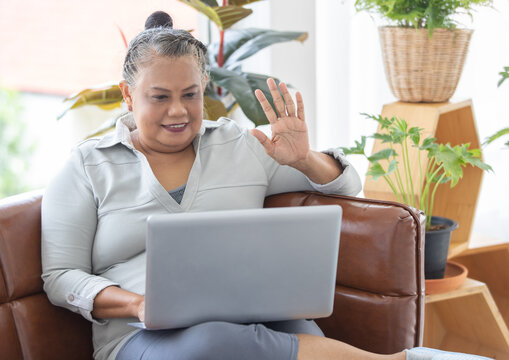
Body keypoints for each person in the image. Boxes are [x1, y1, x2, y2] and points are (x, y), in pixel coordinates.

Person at [41, 11, 492, 360]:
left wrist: (305, 159)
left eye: (190, 95)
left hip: (257, 312)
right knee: (213, 343)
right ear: (128, 95)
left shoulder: (240, 145)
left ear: (205, 88)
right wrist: (138, 304)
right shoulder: (87, 166)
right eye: (160, 97)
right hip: (142, 338)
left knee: (302, 333)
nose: (178, 112)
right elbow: (60, 277)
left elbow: (347, 188)